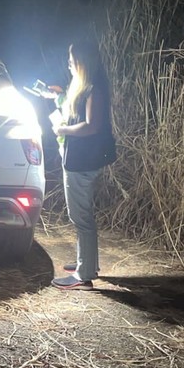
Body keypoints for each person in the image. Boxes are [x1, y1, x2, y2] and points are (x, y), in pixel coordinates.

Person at [47, 40, 117, 290]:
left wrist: (62, 129)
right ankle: (85, 263)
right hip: (79, 158)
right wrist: (59, 96)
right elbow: (75, 110)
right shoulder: (83, 86)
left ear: (82, 62)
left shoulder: (93, 88)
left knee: (80, 217)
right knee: (81, 215)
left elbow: (91, 126)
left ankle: (84, 274)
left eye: (72, 59)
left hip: (82, 162)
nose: (68, 63)